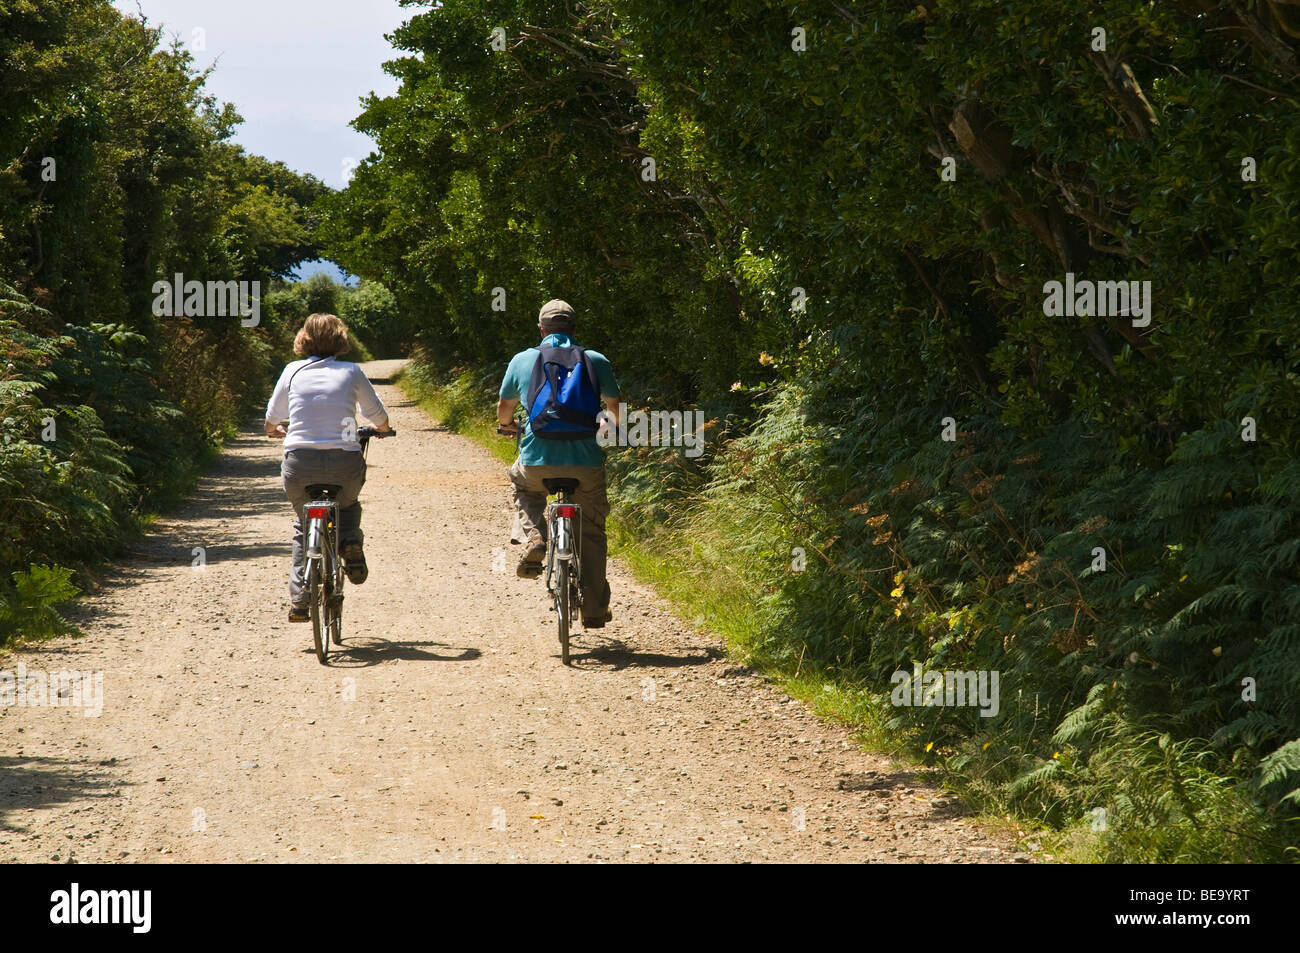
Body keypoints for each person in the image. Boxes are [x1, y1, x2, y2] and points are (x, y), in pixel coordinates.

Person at [497, 300, 621, 628]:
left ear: (541, 330)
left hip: (538, 462)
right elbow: (614, 405)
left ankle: (537, 537)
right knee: (591, 531)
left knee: (524, 487)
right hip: (586, 465)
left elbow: (504, 406)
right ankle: (594, 610)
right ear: (574, 328)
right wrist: (610, 426)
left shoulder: (523, 360)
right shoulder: (595, 360)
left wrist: (508, 426)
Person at [265, 313, 390, 622]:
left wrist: (274, 430)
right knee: (347, 507)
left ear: (304, 339)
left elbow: (272, 418)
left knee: (303, 525)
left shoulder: (292, 371)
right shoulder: (351, 371)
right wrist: (383, 428)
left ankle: (299, 601)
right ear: (341, 339)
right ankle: (348, 540)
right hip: (343, 462)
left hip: (299, 464)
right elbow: (376, 415)